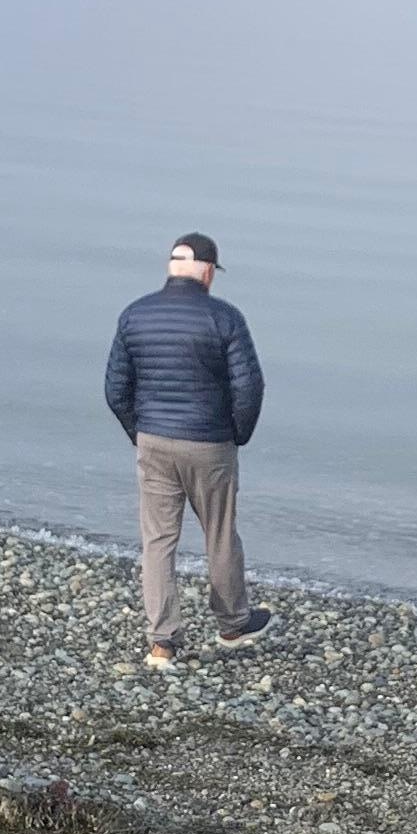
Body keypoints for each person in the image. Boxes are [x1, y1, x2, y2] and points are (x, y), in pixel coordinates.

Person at [103, 232, 273, 666]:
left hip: (154, 442)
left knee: (157, 541)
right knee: (219, 533)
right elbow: (249, 387)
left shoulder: (134, 315)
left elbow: (115, 389)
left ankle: (162, 642)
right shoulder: (225, 318)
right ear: (209, 272)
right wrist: (238, 434)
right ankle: (232, 624)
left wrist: (139, 432)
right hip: (210, 442)